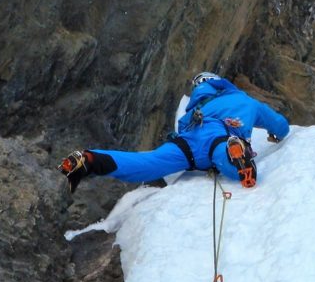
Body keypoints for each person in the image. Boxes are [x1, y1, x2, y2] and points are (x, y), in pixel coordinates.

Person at [58, 72, 290, 192]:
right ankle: (234, 154)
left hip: (187, 140)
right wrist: (277, 134)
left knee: (149, 162)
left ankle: (91, 159)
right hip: (221, 133)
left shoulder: (197, 105)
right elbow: (280, 124)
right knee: (219, 149)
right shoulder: (244, 101)